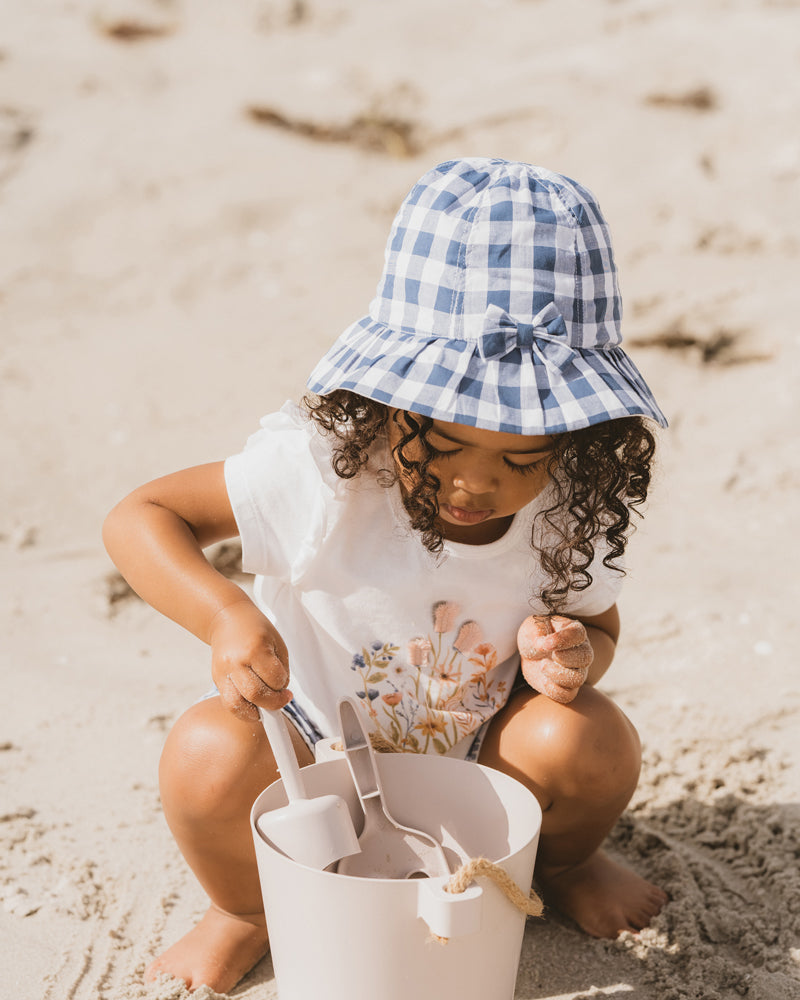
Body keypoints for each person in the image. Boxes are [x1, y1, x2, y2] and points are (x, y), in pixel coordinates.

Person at [104, 158, 670, 993]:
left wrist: (571, 657)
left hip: (482, 762)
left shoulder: (568, 513)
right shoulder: (328, 475)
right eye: (442, 445)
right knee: (204, 755)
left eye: (521, 456)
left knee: (587, 737)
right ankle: (244, 909)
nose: (477, 484)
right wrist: (223, 616)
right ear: (389, 405)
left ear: (575, 438)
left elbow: (600, 630)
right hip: (301, 749)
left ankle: (563, 863)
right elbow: (142, 517)